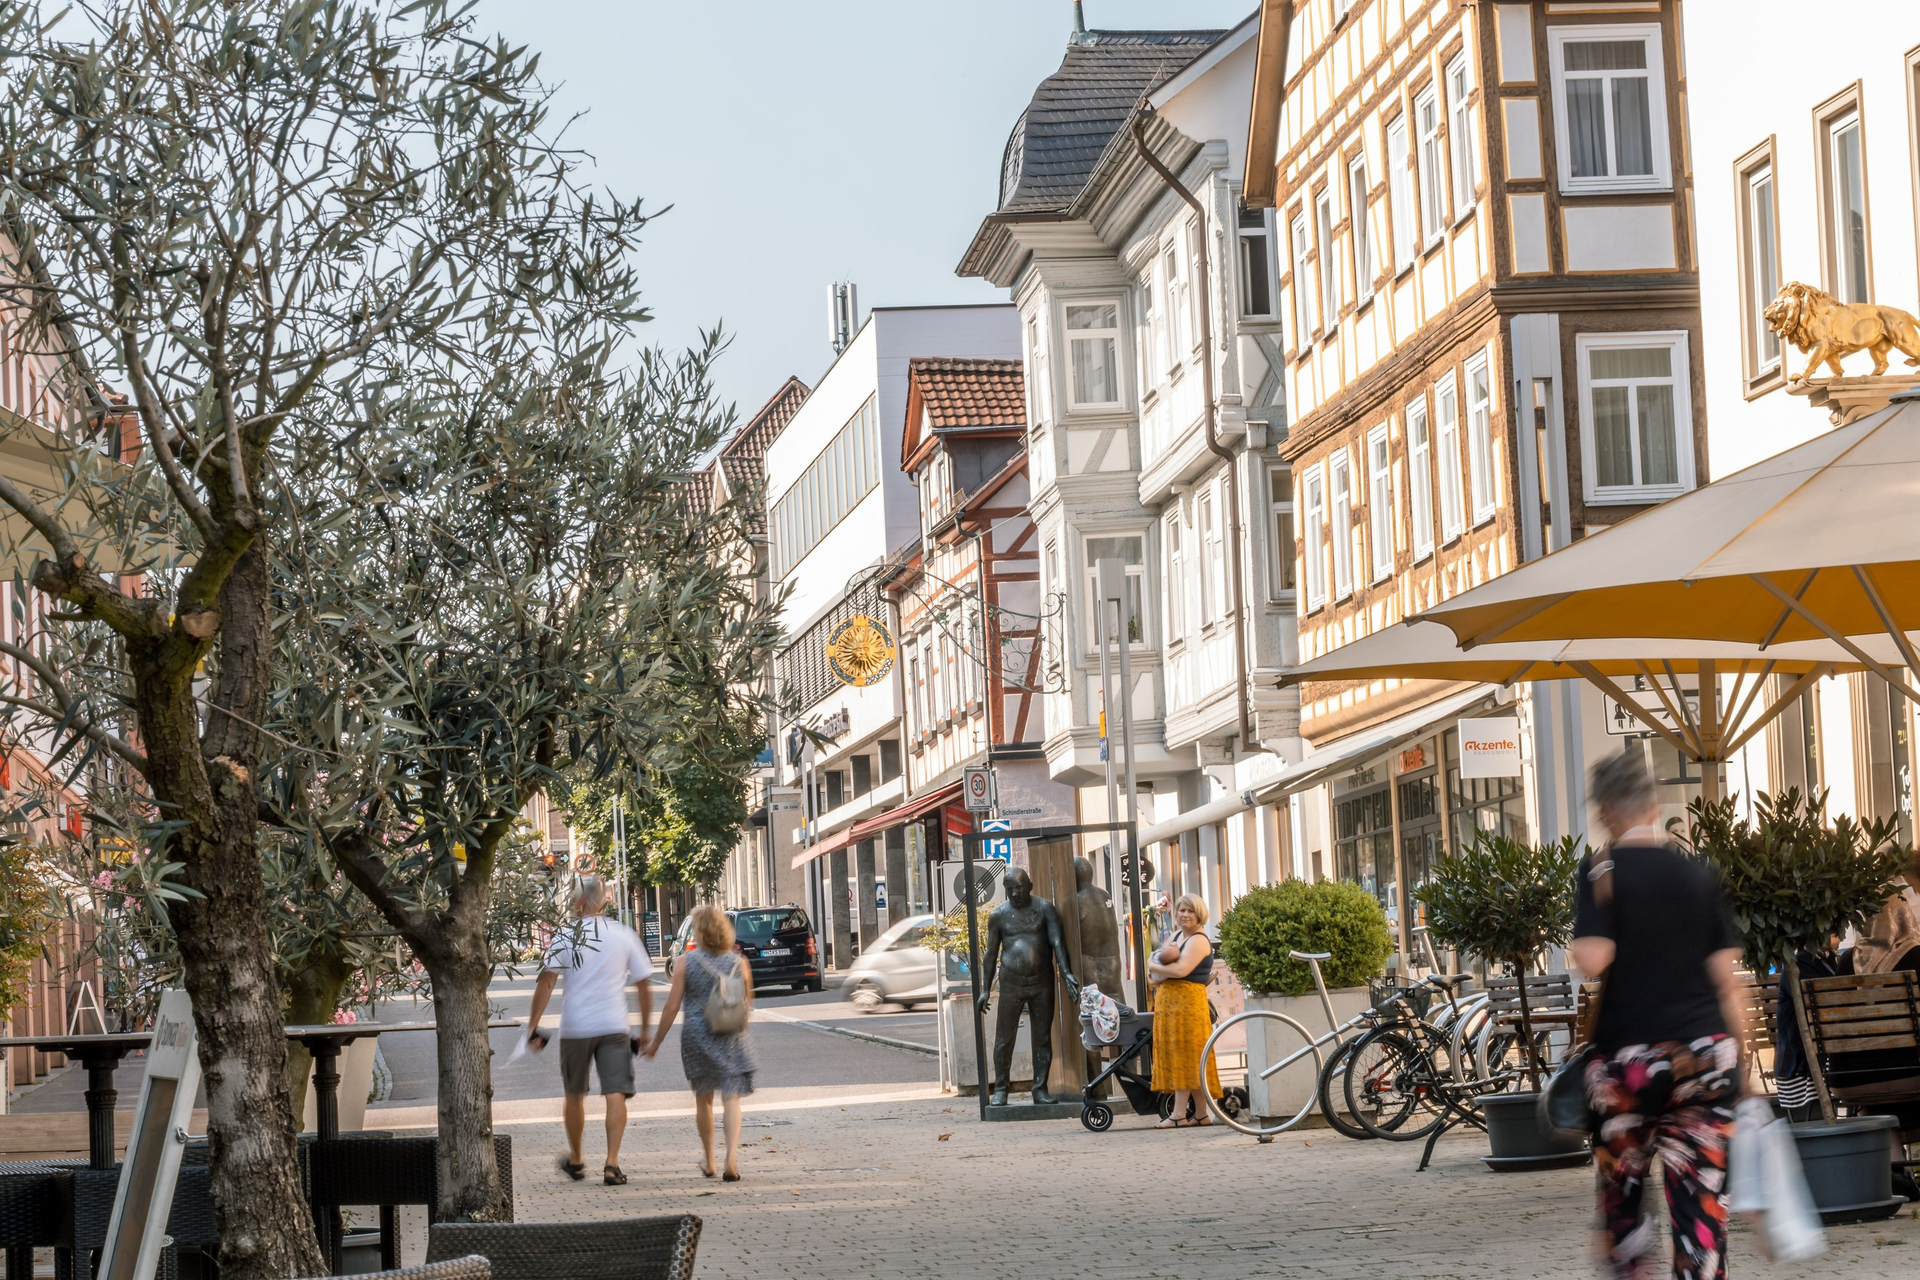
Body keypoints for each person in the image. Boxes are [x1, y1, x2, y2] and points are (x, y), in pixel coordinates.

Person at [1571, 751, 1750, 1280]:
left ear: (1605, 812)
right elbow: (1726, 978)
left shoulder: (1600, 870)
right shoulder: (1698, 874)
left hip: (1630, 1062)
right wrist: (1744, 1068)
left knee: (1623, 1200)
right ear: (1653, 805)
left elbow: (1593, 958)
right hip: (1706, 1057)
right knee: (1701, 1208)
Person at [526, 875, 653, 1186]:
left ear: (579, 902)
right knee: (615, 1093)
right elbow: (643, 984)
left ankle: (577, 1159)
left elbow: (546, 983)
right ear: (604, 900)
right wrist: (646, 1029)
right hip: (614, 1026)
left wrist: (532, 1026)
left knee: (574, 1094)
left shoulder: (565, 936)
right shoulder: (623, 935)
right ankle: (612, 1164)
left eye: (572, 900)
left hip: (576, 1028)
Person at [644, 904, 758, 1181]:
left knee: (703, 1099)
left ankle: (709, 1160)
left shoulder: (685, 962)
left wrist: (657, 1041)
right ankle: (731, 1161)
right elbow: (748, 1001)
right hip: (730, 1034)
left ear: (699, 931)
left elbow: (672, 1006)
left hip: (697, 1036)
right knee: (731, 1098)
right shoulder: (739, 962)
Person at [1147, 892, 1223, 1129]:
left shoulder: (1198, 940)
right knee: (1189, 1056)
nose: (1185, 915)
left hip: (1188, 1006)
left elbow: (1180, 970)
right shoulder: (1177, 935)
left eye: (1190, 911)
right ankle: (1201, 1114)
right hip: (1171, 1006)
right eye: (1181, 910)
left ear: (1199, 914)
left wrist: (1152, 964)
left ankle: (1179, 1114)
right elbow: (1159, 965)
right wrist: (1156, 970)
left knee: (1186, 1057)